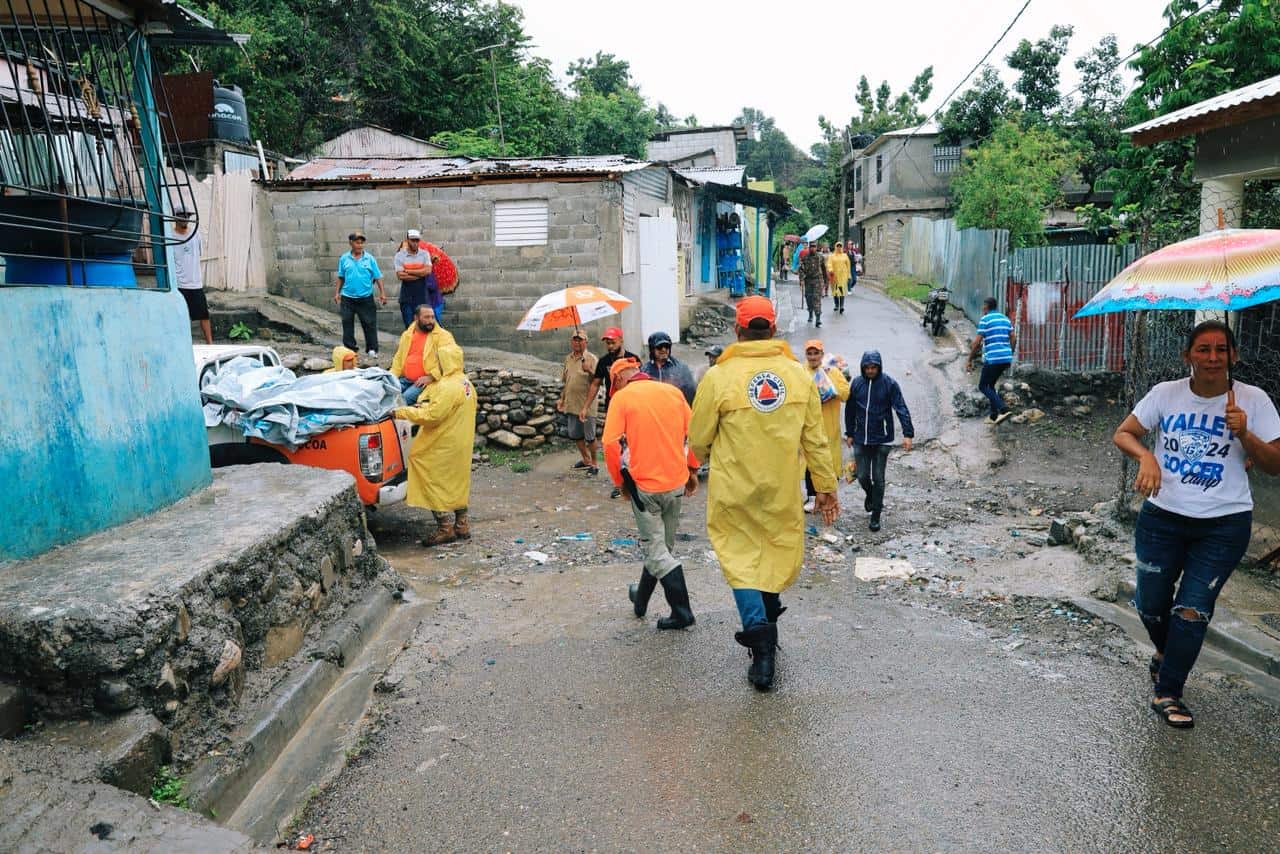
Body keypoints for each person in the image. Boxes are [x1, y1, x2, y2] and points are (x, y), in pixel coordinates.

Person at [1113, 320, 1280, 729]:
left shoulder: (1254, 401)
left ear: (1233, 356)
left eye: (1221, 350)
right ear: (1188, 356)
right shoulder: (1165, 395)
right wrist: (1147, 457)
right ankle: (1167, 653)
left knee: (1191, 611)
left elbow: (1274, 465)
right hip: (1162, 518)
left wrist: (1246, 436)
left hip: (1223, 525)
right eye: (1202, 349)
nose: (1211, 357)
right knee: (1151, 605)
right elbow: (1125, 433)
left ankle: (1169, 691)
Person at [689, 296, 838, 691]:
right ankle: (767, 620)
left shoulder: (718, 378)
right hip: (781, 489)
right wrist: (825, 487)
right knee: (774, 553)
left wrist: (693, 464)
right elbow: (816, 440)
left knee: (740, 561)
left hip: (734, 489)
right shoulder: (798, 376)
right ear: (772, 330)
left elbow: (699, 439)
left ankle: (761, 636)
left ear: (738, 331)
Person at [603, 356, 701, 630]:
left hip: (645, 488)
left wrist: (619, 481)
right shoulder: (672, 393)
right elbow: (696, 432)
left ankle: (682, 613)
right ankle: (640, 600)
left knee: (658, 553)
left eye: (615, 385)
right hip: (676, 484)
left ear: (620, 379)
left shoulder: (622, 399)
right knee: (661, 548)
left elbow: (610, 444)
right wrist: (692, 468)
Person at [393, 344, 477, 547]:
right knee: (457, 480)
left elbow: (433, 416)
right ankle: (462, 524)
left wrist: (402, 412)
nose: (437, 364)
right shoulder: (465, 382)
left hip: (443, 442)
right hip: (461, 442)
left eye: (439, 360)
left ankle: (444, 527)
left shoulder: (448, 385)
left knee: (427, 472)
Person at [844, 351, 914, 532]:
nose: (870, 370)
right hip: (860, 437)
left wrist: (908, 433)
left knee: (879, 478)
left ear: (879, 367)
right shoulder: (857, 383)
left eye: (873, 367)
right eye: (867, 367)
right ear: (862, 368)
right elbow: (850, 409)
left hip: (883, 438)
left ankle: (876, 515)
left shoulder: (889, 384)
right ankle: (870, 495)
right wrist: (849, 432)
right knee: (862, 476)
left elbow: (901, 407)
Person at [581, 326, 640, 498]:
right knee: (615, 446)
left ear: (621, 340)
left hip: (633, 409)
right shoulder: (604, 361)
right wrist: (585, 406)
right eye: (607, 342)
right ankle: (620, 483)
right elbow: (595, 384)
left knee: (633, 444)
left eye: (612, 342)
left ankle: (637, 477)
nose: (610, 346)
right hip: (613, 409)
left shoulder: (633, 359)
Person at [802, 340, 850, 512]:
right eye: (810, 353)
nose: (813, 357)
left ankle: (830, 496)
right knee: (810, 462)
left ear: (822, 355)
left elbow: (845, 395)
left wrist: (829, 382)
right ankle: (812, 496)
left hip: (829, 427)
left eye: (816, 353)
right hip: (809, 426)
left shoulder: (833, 372)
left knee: (830, 462)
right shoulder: (801, 372)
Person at [333, 230, 387, 357]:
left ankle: (372, 349)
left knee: (369, 323)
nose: (360, 245)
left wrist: (382, 293)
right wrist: (337, 293)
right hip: (347, 298)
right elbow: (341, 277)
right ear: (351, 243)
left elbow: (378, 276)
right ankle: (350, 349)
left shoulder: (370, 259)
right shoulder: (344, 258)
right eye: (357, 243)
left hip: (365, 298)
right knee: (347, 323)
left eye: (362, 243)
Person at [390, 306, 457, 405]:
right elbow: (398, 359)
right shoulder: (407, 334)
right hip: (405, 379)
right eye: (426, 317)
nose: (431, 321)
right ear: (416, 318)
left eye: (432, 317)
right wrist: (391, 377)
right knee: (385, 392)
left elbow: (450, 361)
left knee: (403, 399)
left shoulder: (444, 336)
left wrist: (431, 377)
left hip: (426, 382)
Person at [966, 297, 1015, 424]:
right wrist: (1010, 353)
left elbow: (976, 343)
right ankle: (994, 415)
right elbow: (1013, 338)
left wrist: (969, 359)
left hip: (993, 359)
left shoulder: (985, 319)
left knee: (983, 386)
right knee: (991, 385)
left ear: (986, 307)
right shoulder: (1005, 319)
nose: (982, 308)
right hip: (1006, 357)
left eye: (983, 306)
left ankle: (1003, 408)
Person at [556, 330, 600, 476]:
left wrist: (589, 371)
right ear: (571, 342)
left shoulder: (591, 359)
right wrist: (562, 399)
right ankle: (586, 460)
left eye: (580, 340)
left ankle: (594, 464)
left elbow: (598, 381)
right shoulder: (568, 358)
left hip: (586, 406)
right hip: (572, 404)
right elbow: (566, 381)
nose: (577, 342)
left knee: (590, 437)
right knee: (575, 435)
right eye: (575, 340)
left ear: (586, 342)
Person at [171, 209, 212, 345]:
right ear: (175, 218)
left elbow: (197, 255)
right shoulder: (170, 236)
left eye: (187, 216)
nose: (185, 219)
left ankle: (210, 344)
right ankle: (184, 345)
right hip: (179, 284)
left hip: (195, 283)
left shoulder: (196, 235)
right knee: (181, 317)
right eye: (182, 216)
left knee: (203, 316)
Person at [641, 331, 696, 404]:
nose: (663, 349)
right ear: (652, 349)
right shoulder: (644, 370)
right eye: (659, 347)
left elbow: (690, 392)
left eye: (666, 346)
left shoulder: (681, 368)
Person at [394, 229, 435, 329]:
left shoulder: (424, 254)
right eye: (413, 240)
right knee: (409, 327)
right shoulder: (400, 255)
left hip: (422, 297)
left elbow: (428, 271)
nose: (415, 243)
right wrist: (420, 273)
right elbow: (400, 275)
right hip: (406, 297)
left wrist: (408, 271)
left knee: (423, 326)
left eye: (417, 240)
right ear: (407, 240)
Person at [798, 240, 826, 327]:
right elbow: (801, 269)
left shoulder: (820, 257)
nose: (813, 248)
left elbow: (824, 269)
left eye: (814, 247)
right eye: (811, 247)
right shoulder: (805, 257)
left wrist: (825, 281)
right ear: (809, 247)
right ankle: (810, 313)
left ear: (816, 247)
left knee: (817, 298)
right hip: (808, 281)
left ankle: (818, 318)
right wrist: (801, 280)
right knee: (808, 297)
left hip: (817, 280)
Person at [827, 242, 851, 315]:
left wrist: (849, 275)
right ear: (835, 247)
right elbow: (829, 264)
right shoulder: (832, 256)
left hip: (842, 276)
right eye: (838, 246)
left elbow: (848, 265)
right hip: (834, 276)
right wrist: (830, 270)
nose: (839, 247)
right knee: (835, 291)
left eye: (840, 246)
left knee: (841, 291)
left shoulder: (845, 256)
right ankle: (836, 304)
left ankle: (841, 306)